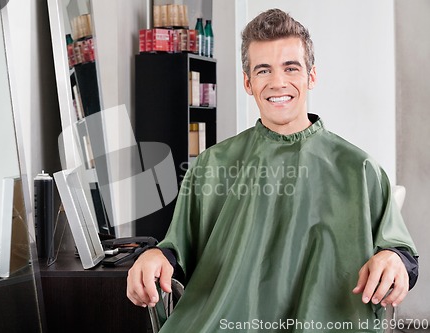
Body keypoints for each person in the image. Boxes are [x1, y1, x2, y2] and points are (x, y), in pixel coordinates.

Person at [127, 8, 418, 333]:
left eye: (291, 68)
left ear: (311, 76)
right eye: (264, 71)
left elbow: (400, 250)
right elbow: (177, 248)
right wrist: (155, 256)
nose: (278, 82)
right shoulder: (212, 165)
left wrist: (394, 260)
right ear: (248, 82)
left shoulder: (359, 169)